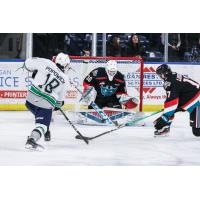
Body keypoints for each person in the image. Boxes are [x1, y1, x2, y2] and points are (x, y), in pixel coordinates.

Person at [24, 52, 70, 150]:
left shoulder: (47, 62)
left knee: (41, 117)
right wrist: (57, 106)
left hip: (30, 100)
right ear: (66, 65)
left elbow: (28, 63)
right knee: (42, 125)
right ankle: (32, 140)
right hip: (45, 104)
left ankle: (45, 129)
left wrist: (34, 71)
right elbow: (59, 102)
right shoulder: (66, 80)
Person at [154, 64, 200, 137]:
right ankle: (165, 129)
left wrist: (164, 117)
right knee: (171, 110)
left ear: (164, 74)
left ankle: (164, 127)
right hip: (192, 99)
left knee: (197, 132)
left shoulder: (170, 82)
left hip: (197, 101)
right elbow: (171, 101)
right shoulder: (173, 76)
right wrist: (167, 112)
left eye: (160, 75)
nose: (160, 77)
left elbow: (172, 102)